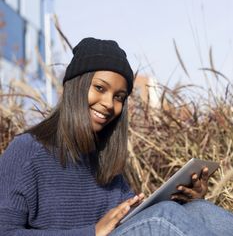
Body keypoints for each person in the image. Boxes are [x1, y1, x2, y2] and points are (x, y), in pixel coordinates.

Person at [0, 37, 233, 236]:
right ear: (76, 86)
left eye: (119, 97)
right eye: (100, 88)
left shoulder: (105, 160)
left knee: (201, 211)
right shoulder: (27, 150)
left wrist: (187, 200)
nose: (109, 104)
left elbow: (134, 221)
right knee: (164, 217)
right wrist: (91, 232)